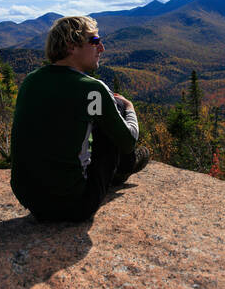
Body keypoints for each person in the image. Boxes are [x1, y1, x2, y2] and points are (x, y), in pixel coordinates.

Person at [9, 16, 149, 222]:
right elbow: (128, 141)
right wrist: (129, 108)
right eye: (94, 41)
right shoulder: (92, 89)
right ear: (71, 46)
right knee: (116, 108)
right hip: (75, 205)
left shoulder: (31, 81)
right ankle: (124, 169)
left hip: (30, 199)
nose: (101, 48)